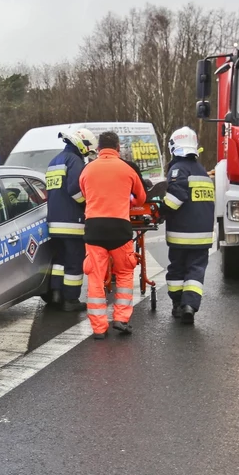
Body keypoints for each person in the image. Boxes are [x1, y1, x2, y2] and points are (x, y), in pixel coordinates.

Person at [79, 131, 147, 339]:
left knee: (95, 277)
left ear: (98, 148)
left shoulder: (87, 170)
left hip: (94, 229)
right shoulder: (127, 169)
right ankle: (121, 319)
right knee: (125, 273)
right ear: (117, 148)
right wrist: (130, 201)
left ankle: (99, 329)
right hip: (120, 229)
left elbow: (83, 194)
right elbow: (141, 197)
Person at [159, 127, 215, 325]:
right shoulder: (202, 171)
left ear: (173, 147)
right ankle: (190, 306)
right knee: (195, 271)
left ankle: (177, 304)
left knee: (176, 270)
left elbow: (177, 197)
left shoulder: (178, 169)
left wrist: (161, 210)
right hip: (203, 235)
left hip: (181, 234)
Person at [45, 128, 97, 312]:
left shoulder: (54, 161)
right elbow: (76, 190)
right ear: (81, 143)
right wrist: (88, 205)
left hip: (54, 222)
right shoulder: (74, 161)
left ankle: (57, 294)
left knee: (60, 260)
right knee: (74, 261)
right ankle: (71, 300)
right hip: (72, 222)